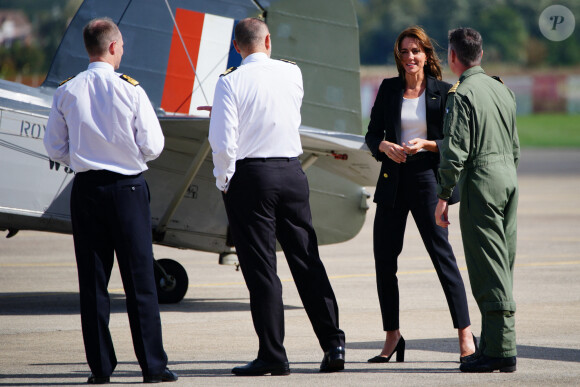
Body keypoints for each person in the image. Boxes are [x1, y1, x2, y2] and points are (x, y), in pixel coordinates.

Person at [207, 17, 346, 376]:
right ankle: (334, 344)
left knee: (262, 269)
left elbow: (223, 142)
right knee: (306, 260)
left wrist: (224, 180)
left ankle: (273, 353)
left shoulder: (230, 82)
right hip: (291, 171)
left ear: (237, 47)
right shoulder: (291, 73)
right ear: (268, 41)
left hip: (252, 176)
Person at [44, 17, 177, 384]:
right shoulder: (131, 89)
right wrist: (123, 156)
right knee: (140, 283)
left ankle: (100, 368)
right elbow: (153, 145)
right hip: (127, 191)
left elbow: (55, 147)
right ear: (114, 47)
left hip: (86, 190)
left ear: (89, 49)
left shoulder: (67, 90)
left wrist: (85, 160)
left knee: (93, 282)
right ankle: (153, 366)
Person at [364, 26, 477, 364]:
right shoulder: (388, 89)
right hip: (391, 181)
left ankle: (465, 335)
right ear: (399, 57)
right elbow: (371, 136)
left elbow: (453, 144)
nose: (410, 57)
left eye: (416, 51)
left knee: (444, 260)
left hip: (428, 180)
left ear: (427, 55)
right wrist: (384, 146)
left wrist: (427, 144)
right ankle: (392, 337)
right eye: (404, 52)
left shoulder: (445, 91)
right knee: (384, 261)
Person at [435, 27, 519, 373]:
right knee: (503, 265)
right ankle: (493, 344)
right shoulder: (502, 89)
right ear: (480, 55)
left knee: (488, 268)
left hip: (482, 181)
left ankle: (501, 350)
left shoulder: (462, 93)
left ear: (453, 57)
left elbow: (454, 151)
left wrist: (443, 196)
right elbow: (514, 144)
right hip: (508, 178)